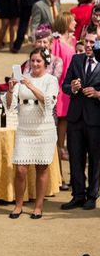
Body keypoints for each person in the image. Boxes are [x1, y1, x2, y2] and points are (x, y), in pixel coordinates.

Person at [6, 48, 58, 219]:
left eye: (38, 61)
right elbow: (10, 106)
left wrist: (31, 85)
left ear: (45, 63)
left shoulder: (51, 80)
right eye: (32, 60)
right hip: (25, 128)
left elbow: (49, 100)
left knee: (41, 168)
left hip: (44, 129)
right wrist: (10, 89)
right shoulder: (22, 78)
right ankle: (18, 205)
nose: (35, 64)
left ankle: (38, 206)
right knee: (20, 169)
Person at [61, 32, 100, 210]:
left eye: (93, 42)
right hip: (75, 118)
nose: (89, 45)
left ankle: (92, 196)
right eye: (86, 41)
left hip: (96, 120)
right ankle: (78, 195)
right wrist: (73, 88)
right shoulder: (76, 59)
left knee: (95, 159)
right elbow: (65, 86)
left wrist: (98, 94)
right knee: (75, 157)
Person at [52, 12, 76, 166]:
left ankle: (61, 150)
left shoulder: (73, 40)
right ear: (66, 23)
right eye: (73, 21)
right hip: (59, 88)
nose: (75, 22)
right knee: (59, 123)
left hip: (69, 87)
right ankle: (58, 154)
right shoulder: (56, 42)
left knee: (65, 123)